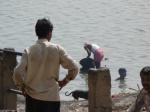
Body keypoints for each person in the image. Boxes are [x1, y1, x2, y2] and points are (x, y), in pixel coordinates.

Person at [12, 18, 78, 112]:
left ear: (36, 33)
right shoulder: (57, 49)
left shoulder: (28, 51)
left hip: (32, 97)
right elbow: (74, 67)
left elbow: (17, 72)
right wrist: (65, 80)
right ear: (49, 32)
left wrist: (21, 85)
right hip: (52, 98)